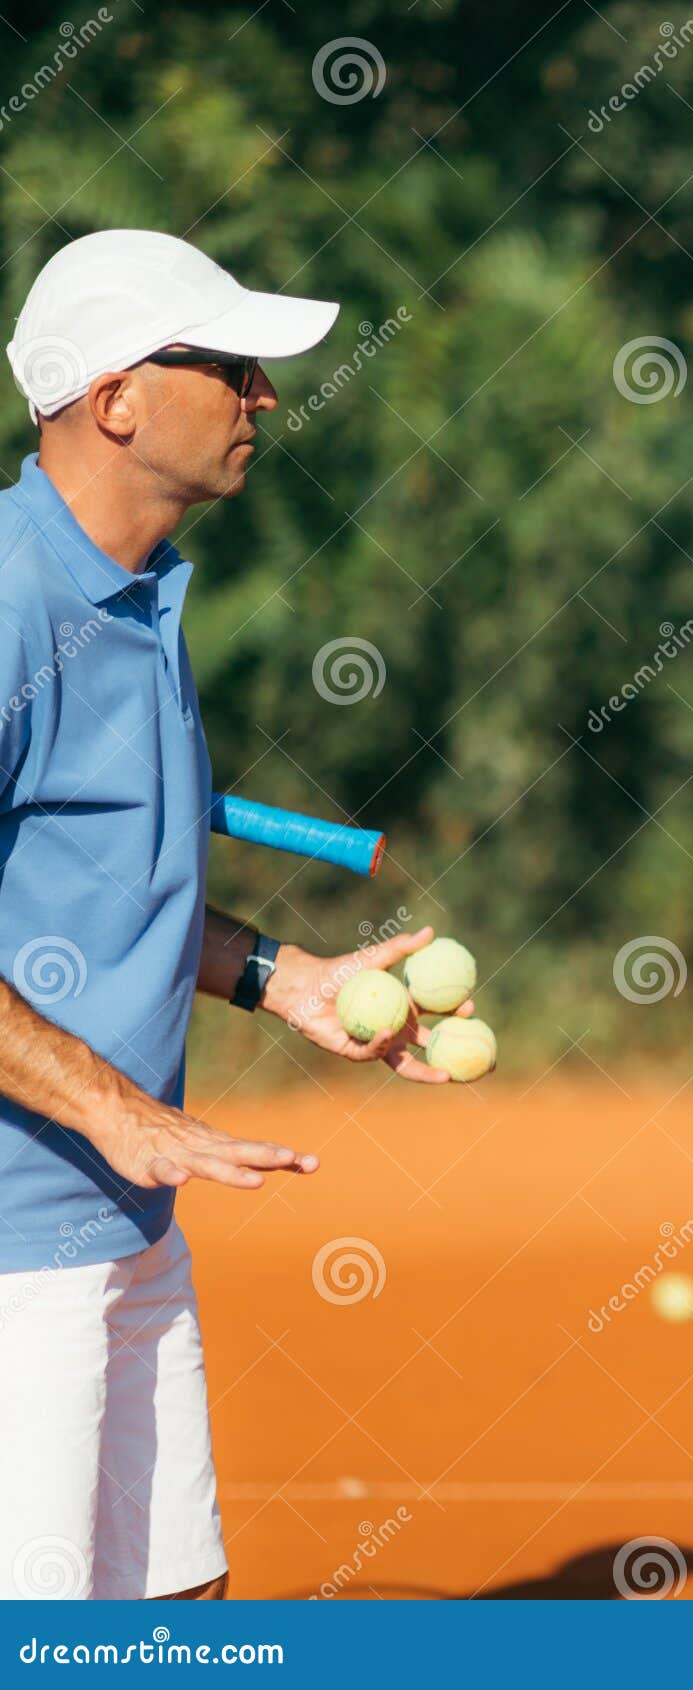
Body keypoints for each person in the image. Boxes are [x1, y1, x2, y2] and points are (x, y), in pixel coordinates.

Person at [0, 230, 464, 1602]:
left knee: (178, 1611)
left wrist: (280, 977)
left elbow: (92, 891)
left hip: (125, 1214)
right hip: (19, 1243)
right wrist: (114, 1107)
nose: (264, 395)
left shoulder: (137, 599)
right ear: (117, 400)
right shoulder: (14, 599)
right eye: (233, 366)